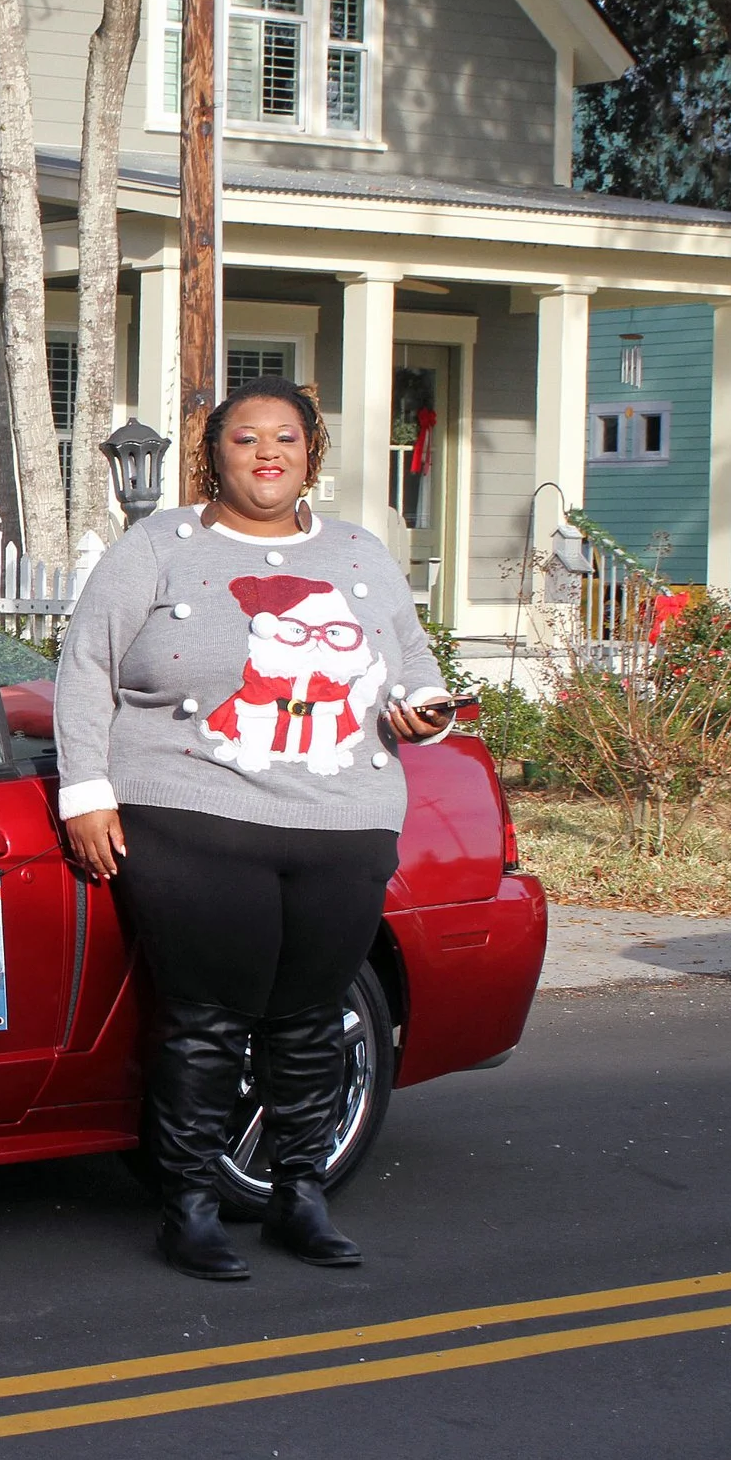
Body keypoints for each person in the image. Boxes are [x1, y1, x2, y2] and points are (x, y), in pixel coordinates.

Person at [54, 379, 456, 1281]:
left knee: (311, 1016)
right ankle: (190, 1205)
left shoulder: (359, 553)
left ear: (312, 452)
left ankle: (300, 1193)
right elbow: (85, 669)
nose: (267, 453)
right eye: (245, 438)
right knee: (206, 1017)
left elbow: (413, 667)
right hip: (194, 815)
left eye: (286, 438)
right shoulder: (155, 547)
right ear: (216, 454)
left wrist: (423, 709)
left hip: (342, 821)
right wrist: (86, 792)